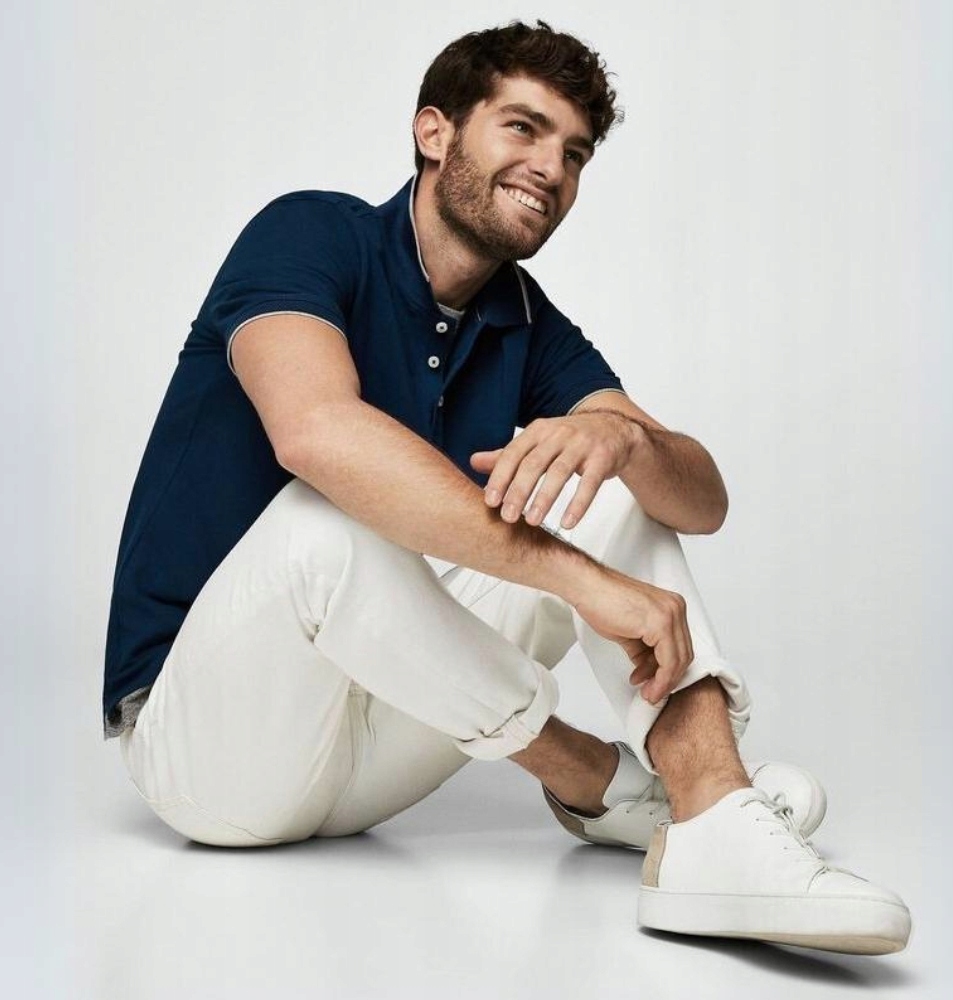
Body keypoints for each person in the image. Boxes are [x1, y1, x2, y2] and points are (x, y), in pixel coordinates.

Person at [104, 21, 911, 955]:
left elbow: (702, 502)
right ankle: (601, 782)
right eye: (523, 128)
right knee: (328, 519)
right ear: (434, 132)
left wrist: (620, 438)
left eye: (574, 152)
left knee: (616, 480)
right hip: (209, 750)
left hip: (378, 744)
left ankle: (710, 818)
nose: (550, 168)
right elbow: (314, 431)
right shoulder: (312, 233)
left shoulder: (526, 321)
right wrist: (581, 582)